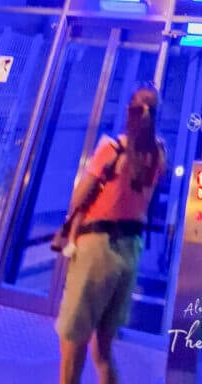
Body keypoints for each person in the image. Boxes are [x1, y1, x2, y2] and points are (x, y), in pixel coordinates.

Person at [56, 88, 166, 384]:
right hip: (130, 249)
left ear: (130, 111)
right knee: (103, 349)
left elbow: (79, 196)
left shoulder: (112, 148)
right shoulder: (158, 156)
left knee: (73, 341)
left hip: (98, 248)